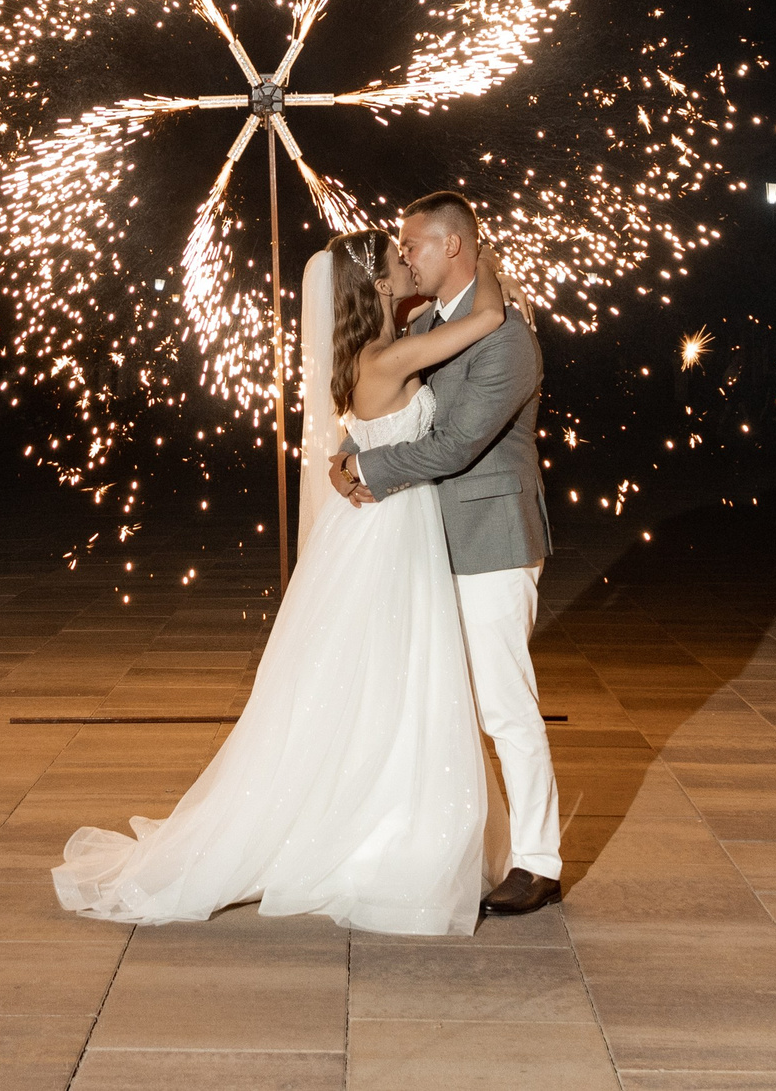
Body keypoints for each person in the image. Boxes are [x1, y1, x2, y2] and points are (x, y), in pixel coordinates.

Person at [50, 227, 521, 934]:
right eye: (397, 261)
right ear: (376, 286)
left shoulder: (371, 351)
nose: (408, 263)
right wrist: (476, 254)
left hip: (379, 520)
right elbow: (485, 318)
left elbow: (378, 410)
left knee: (373, 672)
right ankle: (378, 825)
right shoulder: (388, 356)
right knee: (394, 669)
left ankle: (376, 808)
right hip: (390, 528)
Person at [331, 190, 561, 917]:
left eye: (414, 244)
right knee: (441, 703)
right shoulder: (430, 324)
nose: (403, 256)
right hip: (433, 544)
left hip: (492, 539)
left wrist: (369, 472)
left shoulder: (506, 339)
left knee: (504, 703)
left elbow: (457, 443)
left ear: (453, 245)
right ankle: (458, 841)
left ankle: (539, 860)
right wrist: (352, 447)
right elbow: (394, 407)